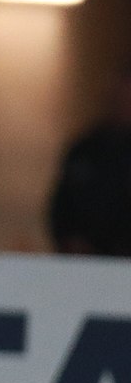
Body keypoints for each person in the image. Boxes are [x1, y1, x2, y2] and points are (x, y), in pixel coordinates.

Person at [49, 66, 131, 257]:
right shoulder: (86, 149)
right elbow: (61, 207)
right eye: (121, 95)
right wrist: (70, 241)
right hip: (86, 260)